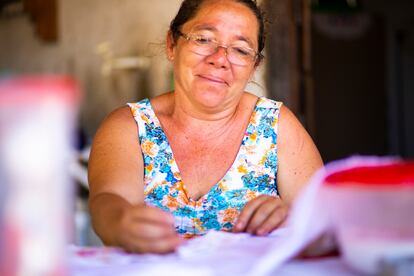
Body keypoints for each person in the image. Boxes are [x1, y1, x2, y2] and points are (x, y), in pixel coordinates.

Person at [88, 0, 323, 254]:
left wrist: (292, 221)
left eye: (241, 50)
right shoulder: (129, 126)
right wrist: (121, 223)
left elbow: (325, 224)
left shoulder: (277, 126)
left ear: (254, 67)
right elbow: (108, 203)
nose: (220, 59)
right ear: (172, 44)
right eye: (203, 39)